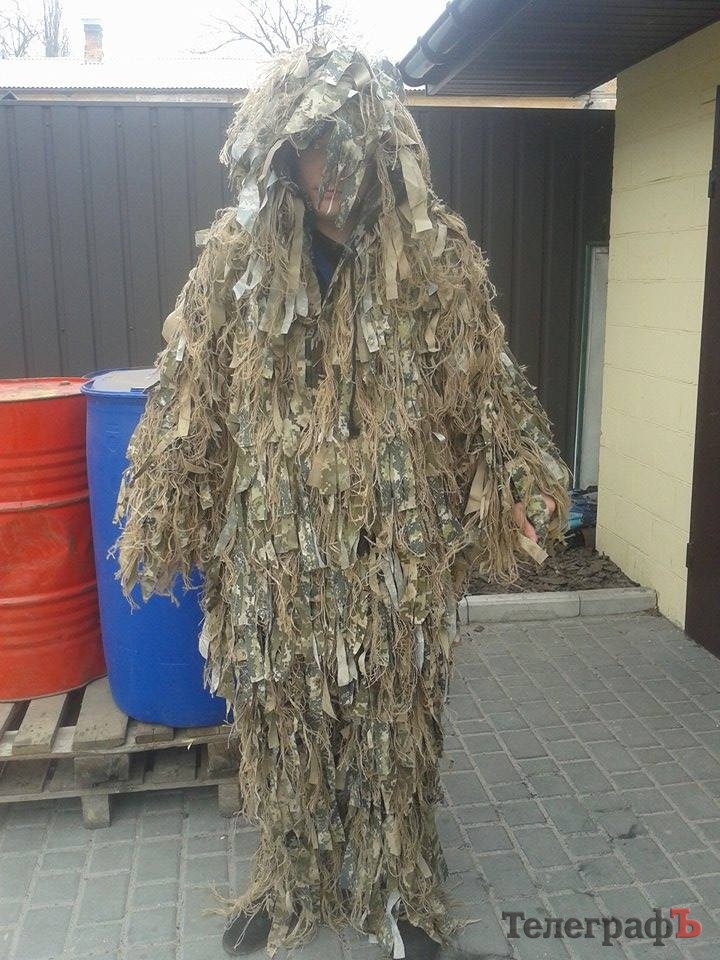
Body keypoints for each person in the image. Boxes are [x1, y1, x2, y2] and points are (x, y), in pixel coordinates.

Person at [111, 44, 572, 960]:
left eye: (341, 145)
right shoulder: (237, 260)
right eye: (308, 148)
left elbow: (484, 383)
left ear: (377, 143)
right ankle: (290, 882)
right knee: (282, 720)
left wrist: (522, 476)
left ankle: (399, 888)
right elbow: (190, 388)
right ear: (283, 152)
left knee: (391, 722)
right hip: (271, 554)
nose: (327, 171)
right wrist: (162, 501)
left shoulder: (431, 258)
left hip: (392, 549)